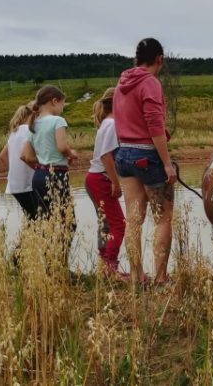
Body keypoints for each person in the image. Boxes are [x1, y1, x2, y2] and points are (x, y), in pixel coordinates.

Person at [113, 37, 177, 286]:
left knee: (134, 219)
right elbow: (155, 126)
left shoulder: (121, 85)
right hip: (148, 155)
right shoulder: (150, 83)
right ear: (159, 60)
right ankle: (160, 277)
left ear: (136, 59)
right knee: (163, 218)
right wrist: (167, 163)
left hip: (125, 153)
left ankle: (137, 275)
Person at [21, 85, 78, 262]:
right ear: (55, 101)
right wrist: (71, 154)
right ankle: (60, 264)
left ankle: (46, 263)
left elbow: (26, 156)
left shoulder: (33, 124)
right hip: (57, 175)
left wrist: (44, 164)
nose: (62, 108)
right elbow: (62, 147)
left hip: (39, 176)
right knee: (68, 223)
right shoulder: (57, 121)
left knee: (46, 222)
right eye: (63, 104)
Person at [85, 87, 127, 280]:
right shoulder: (112, 124)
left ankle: (104, 266)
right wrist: (115, 183)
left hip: (93, 178)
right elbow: (106, 156)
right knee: (118, 224)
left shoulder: (106, 124)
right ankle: (111, 266)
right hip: (101, 178)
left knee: (105, 225)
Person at [0, 101, 39, 220]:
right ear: (34, 115)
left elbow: (2, 156)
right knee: (39, 219)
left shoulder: (14, 132)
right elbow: (25, 156)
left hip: (14, 185)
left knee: (31, 219)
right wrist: (39, 170)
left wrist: (14, 171)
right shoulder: (29, 131)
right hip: (28, 184)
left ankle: (28, 238)